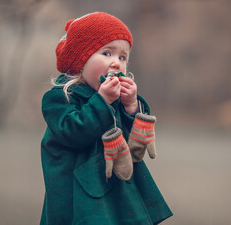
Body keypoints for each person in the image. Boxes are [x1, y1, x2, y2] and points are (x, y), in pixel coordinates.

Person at [40, 12, 172, 225]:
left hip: (118, 193)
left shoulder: (113, 97)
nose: (117, 63)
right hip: (80, 199)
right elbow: (73, 132)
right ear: (81, 59)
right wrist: (102, 101)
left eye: (122, 57)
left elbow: (133, 143)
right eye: (107, 53)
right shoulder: (59, 98)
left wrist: (131, 106)